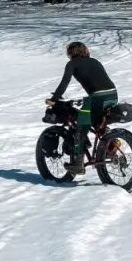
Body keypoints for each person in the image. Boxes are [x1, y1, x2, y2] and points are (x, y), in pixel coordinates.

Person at [47, 41, 118, 174]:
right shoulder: (94, 61)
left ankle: (78, 165)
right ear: (85, 51)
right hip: (113, 95)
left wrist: (54, 98)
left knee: (81, 126)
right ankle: (111, 143)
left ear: (70, 53)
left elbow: (64, 83)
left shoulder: (72, 64)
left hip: (97, 98)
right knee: (97, 121)